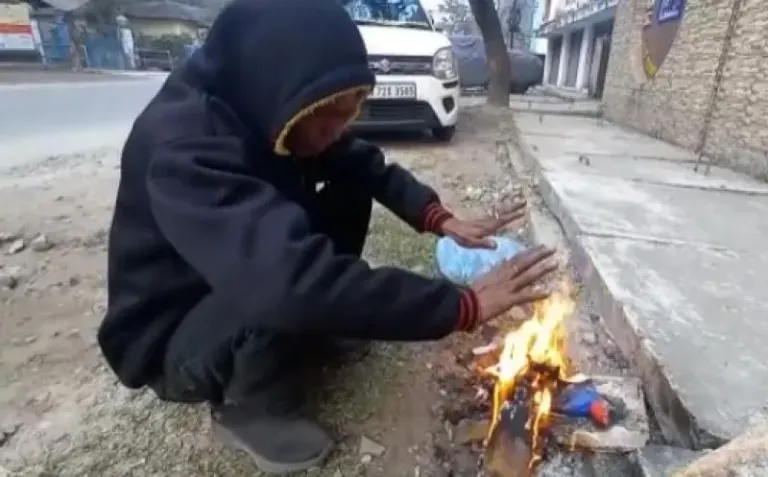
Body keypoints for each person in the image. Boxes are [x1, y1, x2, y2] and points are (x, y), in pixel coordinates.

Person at [97, 0, 558, 473]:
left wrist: (438, 218)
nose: (340, 130)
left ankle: (319, 326)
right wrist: (463, 306)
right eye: (329, 115)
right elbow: (287, 279)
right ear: (283, 86)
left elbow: (362, 164)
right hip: (171, 335)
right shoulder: (183, 145)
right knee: (281, 281)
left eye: (349, 112)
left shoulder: (263, 100)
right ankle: (249, 408)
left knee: (346, 190)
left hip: (231, 271)